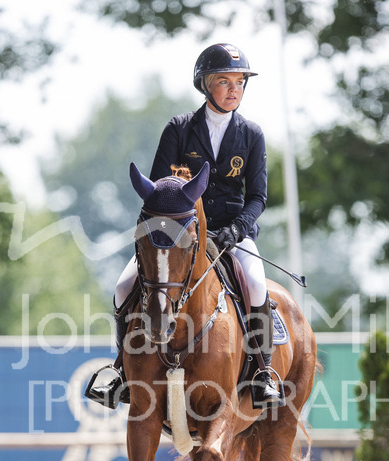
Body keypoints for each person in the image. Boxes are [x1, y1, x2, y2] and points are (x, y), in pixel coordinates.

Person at [87, 42, 283, 410]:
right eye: (224, 81)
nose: (233, 89)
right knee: (122, 285)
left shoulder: (252, 134)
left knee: (256, 284)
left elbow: (258, 196)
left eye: (239, 82)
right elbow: (161, 188)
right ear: (206, 84)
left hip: (230, 231)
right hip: (178, 233)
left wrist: (238, 228)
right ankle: (121, 371)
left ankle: (262, 372)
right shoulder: (179, 128)